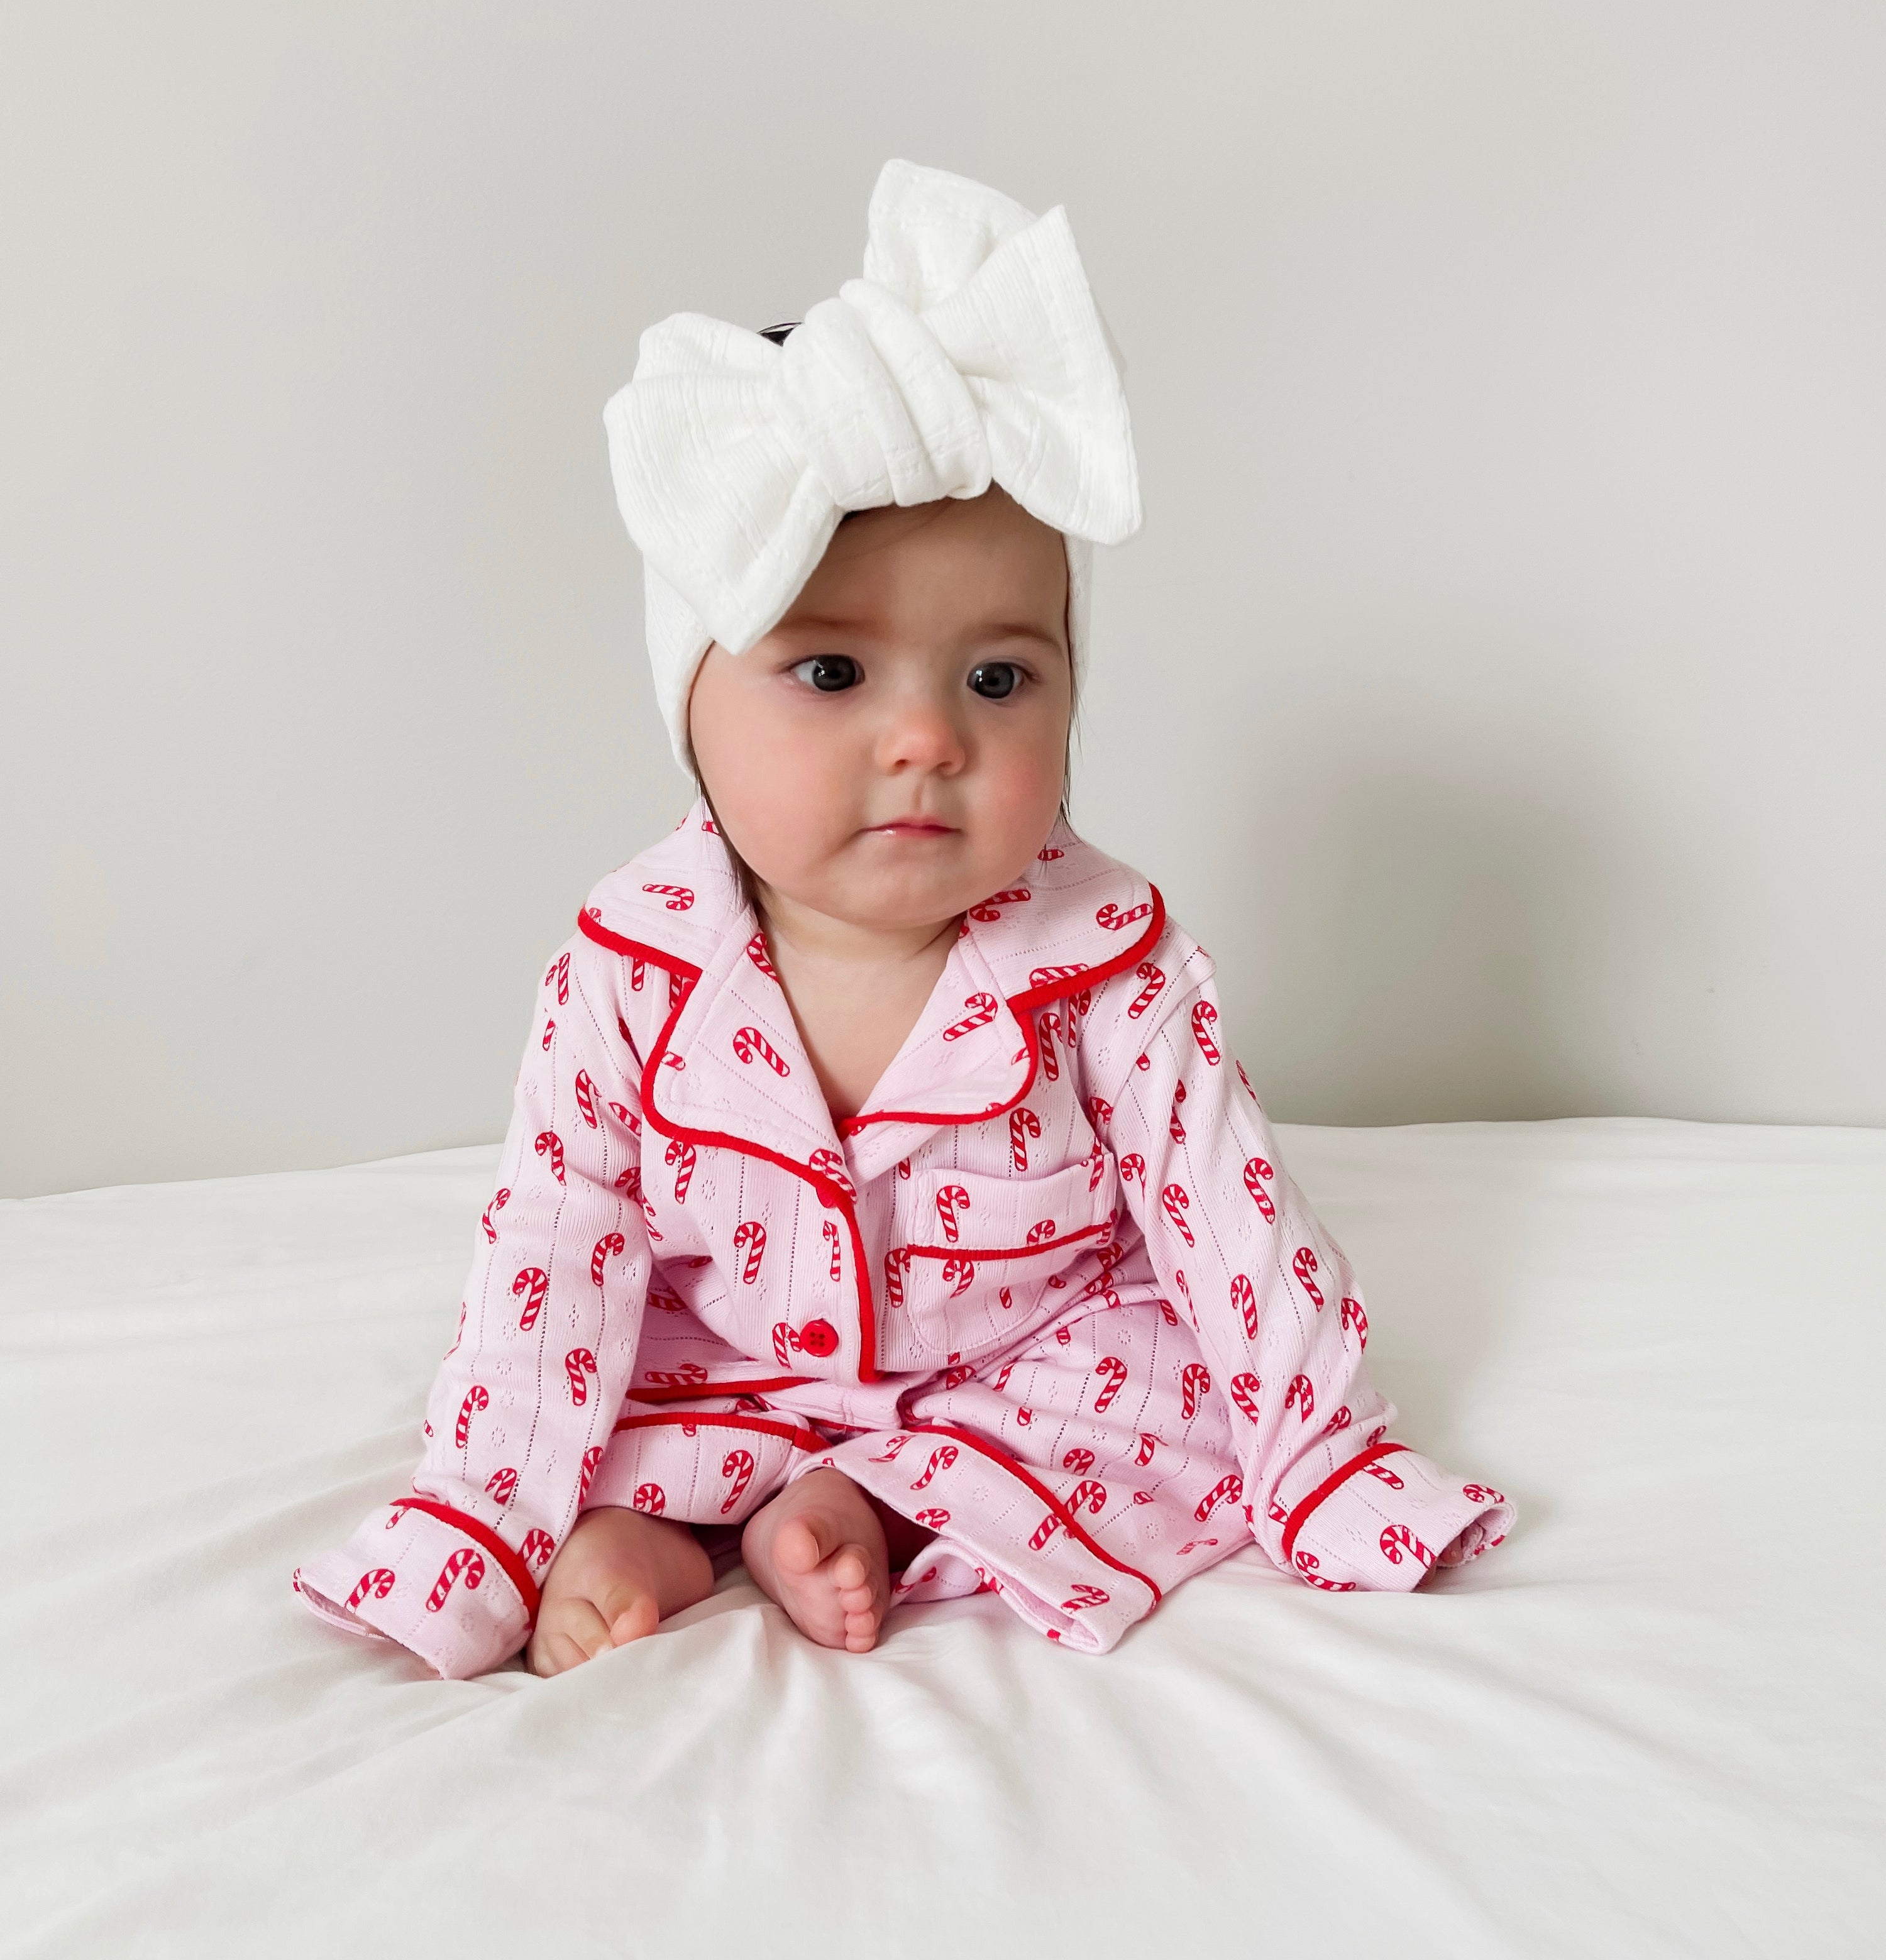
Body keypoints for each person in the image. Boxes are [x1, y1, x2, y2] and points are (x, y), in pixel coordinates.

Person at [293, 160, 1513, 1681]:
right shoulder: (627, 970)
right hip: (731, 1362)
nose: (929, 739)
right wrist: (484, 1518)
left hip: (1022, 1353)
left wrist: (1330, 1465)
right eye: (831, 674)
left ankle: (863, 1506)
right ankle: (660, 1528)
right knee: (595, 1381)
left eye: (998, 679)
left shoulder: (1108, 964)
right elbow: (556, 1247)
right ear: (690, 705)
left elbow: (1234, 1225)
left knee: (1166, 1386)